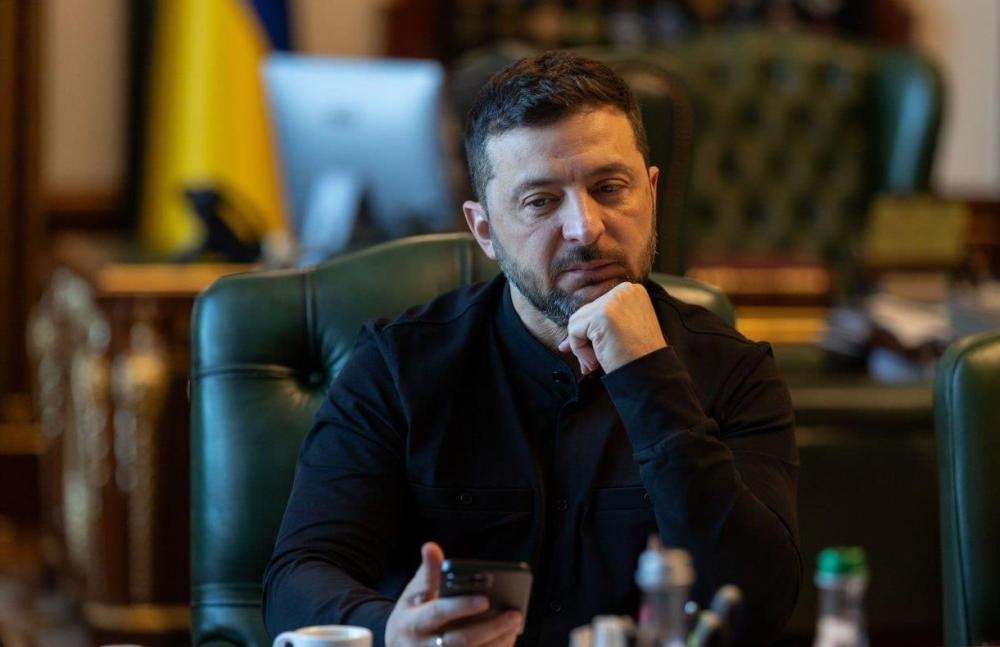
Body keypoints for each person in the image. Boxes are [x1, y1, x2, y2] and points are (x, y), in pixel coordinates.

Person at [263, 51, 801, 647]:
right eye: (541, 201)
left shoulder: (734, 372)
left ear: (650, 194)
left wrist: (649, 378)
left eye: (610, 188)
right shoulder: (398, 367)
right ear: (484, 230)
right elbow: (297, 581)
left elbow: (760, 606)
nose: (585, 228)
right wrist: (391, 629)